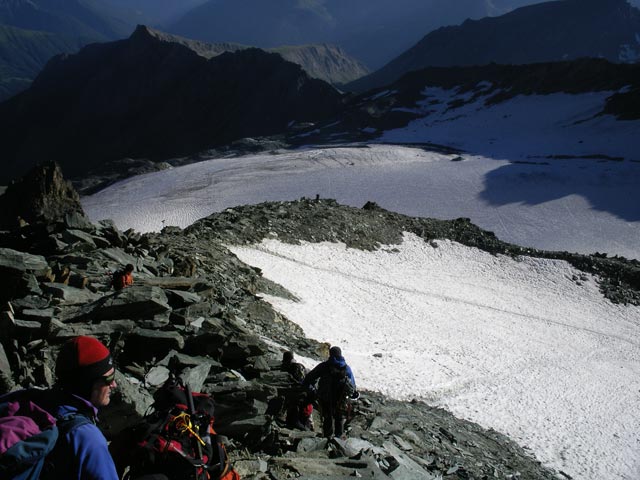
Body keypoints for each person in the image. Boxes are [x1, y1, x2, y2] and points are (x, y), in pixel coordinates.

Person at [48, 335, 119, 480]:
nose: (114, 385)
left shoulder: (27, 399)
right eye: (109, 379)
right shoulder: (88, 438)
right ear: (87, 384)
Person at [302, 346, 357, 438]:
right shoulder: (346, 368)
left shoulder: (324, 366)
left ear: (330, 354)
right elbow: (353, 385)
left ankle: (327, 437)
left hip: (326, 396)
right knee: (339, 418)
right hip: (341, 398)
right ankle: (338, 439)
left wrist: (312, 389)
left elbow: (310, 377)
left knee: (327, 418)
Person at [281, 351, 313, 430]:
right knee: (305, 417)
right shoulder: (300, 366)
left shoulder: (290, 368)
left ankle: (303, 430)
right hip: (306, 396)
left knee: (296, 418)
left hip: (298, 397)